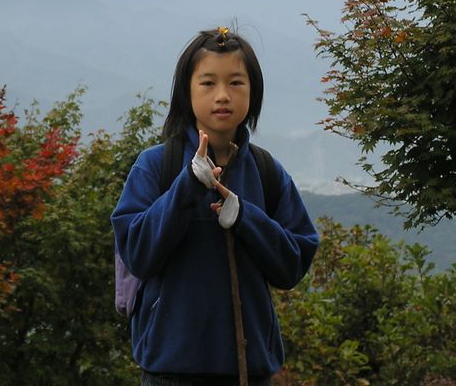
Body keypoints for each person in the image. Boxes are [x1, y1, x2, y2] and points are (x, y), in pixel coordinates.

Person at [111, 27, 319, 386]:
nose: (222, 95)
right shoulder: (155, 166)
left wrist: (245, 217)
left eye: (236, 83)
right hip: (170, 371)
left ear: (253, 92)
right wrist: (186, 187)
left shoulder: (267, 172)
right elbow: (137, 253)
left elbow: (293, 264)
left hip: (250, 371)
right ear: (187, 91)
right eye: (208, 83)